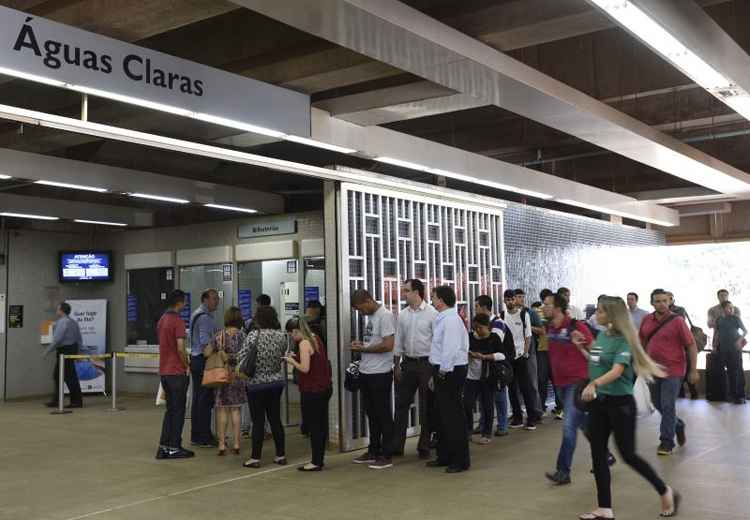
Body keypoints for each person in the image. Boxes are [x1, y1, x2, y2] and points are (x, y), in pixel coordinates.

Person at [580, 296, 680, 519]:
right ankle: (604, 508)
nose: (596, 314)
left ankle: (665, 490)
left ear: (613, 315)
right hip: (600, 402)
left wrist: (594, 383)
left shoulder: (625, 339)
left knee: (628, 455)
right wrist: (583, 349)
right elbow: (597, 363)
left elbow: (616, 371)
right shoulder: (602, 336)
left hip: (620, 405)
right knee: (598, 454)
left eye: (601, 311)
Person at [542, 293, 594, 485]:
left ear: (558, 308)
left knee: (569, 426)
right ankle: (604, 454)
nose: (543, 307)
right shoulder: (549, 327)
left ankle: (563, 471)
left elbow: (595, 350)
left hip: (577, 383)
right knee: (582, 423)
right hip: (560, 383)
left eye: (547, 304)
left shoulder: (576, 326)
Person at [640, 289, 699, 456]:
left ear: (669, 302)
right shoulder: (646, 320)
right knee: (658, 404)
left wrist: (693, 370)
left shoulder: (678, 321)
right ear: (652, 303)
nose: (661, 304)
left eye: (665, 301)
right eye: (658, 301)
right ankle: (678, 425)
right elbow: (642, 343)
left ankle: (666, 441)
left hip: (674, 369)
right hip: (653, 369)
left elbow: (691, 345)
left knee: (667, 405)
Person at [426, 285, 470, 473]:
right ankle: (444, 455)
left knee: (453, 417)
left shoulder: (451, 319)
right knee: (441, 415)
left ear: (442, 300)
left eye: (434, 297)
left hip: (451, 370)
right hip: (443, 368)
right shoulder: (443, 318)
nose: (432, 300)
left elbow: (450, 348)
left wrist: (442, 371)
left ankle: (460, 460)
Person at [392, 279, 438, 459]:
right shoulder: (403, 314)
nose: (403, 294)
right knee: (401, 404)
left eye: (406, 291)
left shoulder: (432, 314)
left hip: (427, 364)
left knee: (426, 406)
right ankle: (397, 445)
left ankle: (424, 445)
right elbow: (398, 341)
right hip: (408, 363)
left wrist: (435, 368)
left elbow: (436, 341)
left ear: (417, 292)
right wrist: (396, 365)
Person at [350, 289, 396, 470]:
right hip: (367, 371)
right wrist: (362, 345)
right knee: (372, 414)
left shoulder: (385, 316)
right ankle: (373, 450)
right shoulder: (373, 317)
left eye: (361, 309)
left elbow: (388, 345)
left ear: (368, 300)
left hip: (380, 373)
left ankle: (387, 454)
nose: (361, 313)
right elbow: (375, 342)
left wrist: (363, 349)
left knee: (383, 414)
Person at [242, 305, 290, 468]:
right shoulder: (281, 335)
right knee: (275, 419)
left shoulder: (253, 335)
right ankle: (281, 455)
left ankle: (255, 458)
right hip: (276, 382)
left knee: (258, 421)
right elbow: (283, 355)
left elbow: (243, 356)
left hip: (256, 384)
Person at [284, 317, 332, 472]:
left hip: (312, 390)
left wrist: (291, 362)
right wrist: (296, 356)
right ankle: (319, 458)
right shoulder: (315, 338)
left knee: (314, 426)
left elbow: (304, 368)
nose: (292, 337)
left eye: (291, 334)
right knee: (321, 424)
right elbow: (314, 360)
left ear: (296, 331)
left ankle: (316, 461)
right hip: (323, 388)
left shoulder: (304, 343)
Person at [155, 290, 194, 459]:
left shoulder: (162, 320)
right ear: (179, 303)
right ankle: (174, 447)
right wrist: (187, 365)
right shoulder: (178, 321)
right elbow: (180, 347)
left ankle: (164, 446)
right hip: (177, 372)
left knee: (170, 410)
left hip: (164, 371)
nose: (185, 305)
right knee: (178, 411)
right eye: (184, 302)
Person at [464, 314, 510, 445]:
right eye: (475, 327)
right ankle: (468, 430)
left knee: (487, 405)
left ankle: (486, 433)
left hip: (487, 376)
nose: (478, 330)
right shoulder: (469, 337)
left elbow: (502, 355)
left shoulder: (494, 338)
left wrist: (484, 357)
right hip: (471, 376)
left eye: (480, 328)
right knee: (467, 403)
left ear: (488, 327)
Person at [474, 295, 515, 436]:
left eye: (477, 307)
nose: (475, 310)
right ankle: (484, 424)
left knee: (499, 395)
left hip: (498, 365)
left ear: (484, 308)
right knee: (484, 397)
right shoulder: (482, 323)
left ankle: (502, 425)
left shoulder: (497, 324)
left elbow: (491, 343)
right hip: (486, 364)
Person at [210, 307, 247, 456]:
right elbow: (246, 354)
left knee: (222, 410)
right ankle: (237, 444)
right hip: (237, 375)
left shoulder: (218, 336)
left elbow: (208, 351)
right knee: (236, 410)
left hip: (221, 375)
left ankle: (221, 445)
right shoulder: (243, 335)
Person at [502, 289, 541, 430]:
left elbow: (528, 336)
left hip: (521, 357)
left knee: (526, 388)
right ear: (504, 301)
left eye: (512, 299)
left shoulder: (524, 314)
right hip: (509, 358)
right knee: (512, 389)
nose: (510, 302)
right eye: (508, 299)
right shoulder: (502, 316)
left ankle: (531, 419)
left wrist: (525, 353)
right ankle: (517, 418)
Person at [189, 289, 220, 448]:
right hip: (203, 360)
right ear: (205, 300)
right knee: (205, 400)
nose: (217, 301)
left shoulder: (196, 314)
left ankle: (197, 435)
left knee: (198, 399)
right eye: (214, 298)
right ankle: (204, 436)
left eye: (217, 298)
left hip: (195, 359)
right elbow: (205, 341)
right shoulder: (205, 318)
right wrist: (218, 343)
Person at [44, 302, 84, 409]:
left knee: (69, 377)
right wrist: (79, 352)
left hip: (64, 351)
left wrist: (47, 351)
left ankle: (76, 402)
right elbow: (79, 339)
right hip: (72, 349)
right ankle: (57, 400)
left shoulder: (62, 322)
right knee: (58, 376)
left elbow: (57, 340)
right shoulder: (73, 322)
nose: (56, 311)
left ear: (61, 311)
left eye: (58, 309)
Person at [515, 289, 544, 419]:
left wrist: (527, 326)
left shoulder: (530, 313)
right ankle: (518, 412)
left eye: (522, 297)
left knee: (532, 383)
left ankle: (536, 412)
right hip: (514, 353)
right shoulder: (507, 314)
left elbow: (542, 331)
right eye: (518, 297)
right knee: (515, 385)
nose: (521, 299)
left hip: (530, 351)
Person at [535, 289, 563, 420]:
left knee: (556, 378)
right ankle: (541, 407)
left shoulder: (561, 315)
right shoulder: (538, 312)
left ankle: (560, 407)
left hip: (555, 351)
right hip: (542, 350)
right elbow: (542, 328)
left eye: (550, 303)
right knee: (542, 379)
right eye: (546, 303)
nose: (547, 306)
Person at [716, 301, 748, 404]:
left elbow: (745, 331)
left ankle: (740, 396)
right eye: (728, 308)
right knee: (729, 372)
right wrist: (714, 346)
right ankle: (731, 395)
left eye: (732, 308)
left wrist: (739, 340)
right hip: (723, 349)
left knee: (737, 372)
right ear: (723, 309)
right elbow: (717, 333)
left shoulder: (736, 318)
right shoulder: (719, 319)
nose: (731, 310)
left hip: (735, 349)